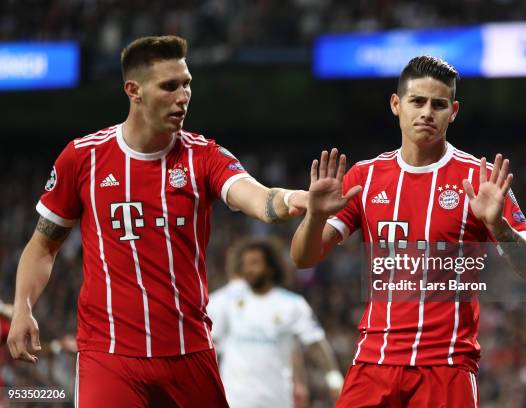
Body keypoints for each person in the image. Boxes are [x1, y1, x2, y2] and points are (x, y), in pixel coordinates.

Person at [7, 35, 315, 408]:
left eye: (186, 84)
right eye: (169, 86)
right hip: (110, 355)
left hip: (189, 352)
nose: (182, 96)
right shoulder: (82, 158)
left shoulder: (204, 155)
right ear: (133, 90)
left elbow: (258, 198)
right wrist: (23, 307)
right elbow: (43, 246)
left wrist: (292, 199)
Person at [291, 56, 526, 407]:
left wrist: (499, 226)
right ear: (396, 104)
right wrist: (315, 217)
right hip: (374, 362)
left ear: (453, 111)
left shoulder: (480, 180)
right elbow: (303, 258)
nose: (427, 112)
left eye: (439, 104)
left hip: (447, 366)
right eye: (417, 101)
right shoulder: (364, 177)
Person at [208, 238, 343, 408]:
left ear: (271, 267)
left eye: (255, 263)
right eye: (245, 264)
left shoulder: (292, 304)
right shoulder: (226, 301)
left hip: (277, 399)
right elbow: (210, 342)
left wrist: (334, 379)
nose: (248, 269)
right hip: (234, 399)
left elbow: (315, 343)